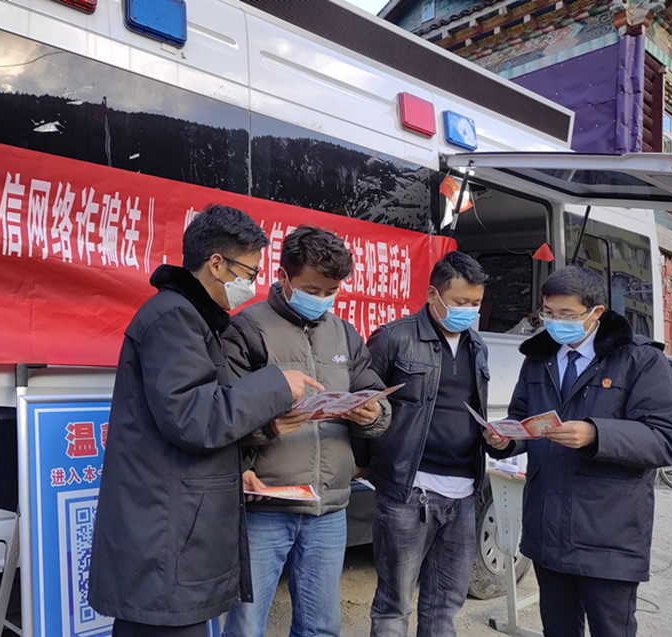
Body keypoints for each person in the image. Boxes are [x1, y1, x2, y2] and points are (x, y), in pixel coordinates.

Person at [88, 204, 323, 637]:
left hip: (172, 534)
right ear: (217, 264)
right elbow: (192, 417)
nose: (252, 284)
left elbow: (202, 411)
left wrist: (252, 446)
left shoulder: (192, 317)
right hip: (166, 538)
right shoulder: (174, 317)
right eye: (249, 272)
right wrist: (276, 385)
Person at [484, 265, 672, 637]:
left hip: (608, 535)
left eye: (567, 315)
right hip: (548, 529)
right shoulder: (540, 358)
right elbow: (523, 419)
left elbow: (667, 438)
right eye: (549, 313)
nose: (556, 323)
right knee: (558, 629)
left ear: (596, 313)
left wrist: (596, 434)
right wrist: (506, 439)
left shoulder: (638, 359)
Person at [220, 225, 391, 637]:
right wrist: (266, 428)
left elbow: (374, 394)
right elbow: (222, 414)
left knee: (320, 627)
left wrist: (373, 414)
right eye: (312, 289)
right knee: (246, 627)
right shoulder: (246, 329)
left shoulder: (344, 333)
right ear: (283, 276)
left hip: (328, 507)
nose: (322, 299)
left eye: (331, 291)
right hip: (266, 504)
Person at [364, 250, 491, 637]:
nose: (469, 311)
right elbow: (363, 404)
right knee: (394, 604)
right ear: (432, 295)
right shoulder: (395, 337)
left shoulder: (477, 345)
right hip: (409, 491)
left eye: (476, 303)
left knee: (445, 605)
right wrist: (364, 462)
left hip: (463, 494)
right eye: (460, 302)